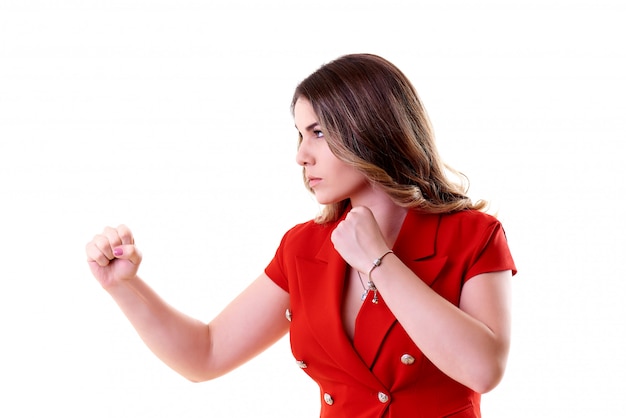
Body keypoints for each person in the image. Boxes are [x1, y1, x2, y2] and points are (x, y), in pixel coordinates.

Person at [86, 53, 517, 417]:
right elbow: (206, 354)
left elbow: (483, 370)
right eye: (299, 134)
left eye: (319, 132)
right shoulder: (303, 247)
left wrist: (378, 262)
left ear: (371, 129)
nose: (300, 155)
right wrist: (126, 287)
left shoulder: (474, 234)